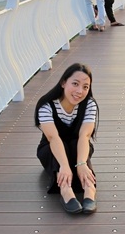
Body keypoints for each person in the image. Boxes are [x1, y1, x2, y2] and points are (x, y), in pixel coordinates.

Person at [35, 63, 99, 214]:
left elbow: (85, 135)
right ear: (63, 82)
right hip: (52, 150)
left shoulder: (89, 104)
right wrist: (64, 165)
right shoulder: (46, 105)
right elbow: (53, 137)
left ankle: (89, 190)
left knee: (79, 144)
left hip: (78, 149)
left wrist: (82, 163)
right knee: (60, 147)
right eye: (75, 84)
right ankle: (65, 190)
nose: (80, 91)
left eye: (85, 87)